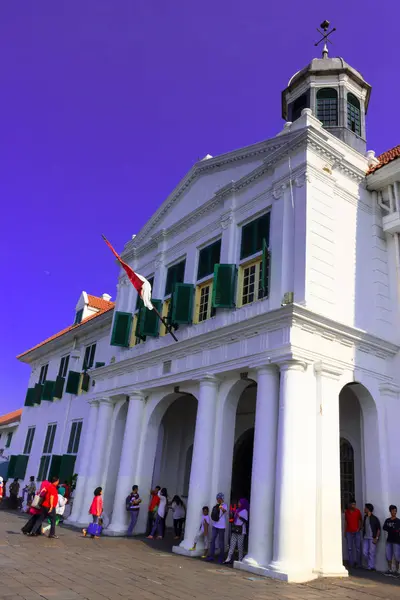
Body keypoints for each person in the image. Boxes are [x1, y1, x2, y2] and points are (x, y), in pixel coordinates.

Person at [224, 498, 249, 564]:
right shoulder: (237, 510)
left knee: (240, 545)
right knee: (232, 544)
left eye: (239, 503)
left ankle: (240, 559)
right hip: (235, 529)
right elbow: (233, 519)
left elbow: (246, 520)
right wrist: (232, 514)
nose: (238, 504)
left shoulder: (245, 511)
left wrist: (239, 516)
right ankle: (228, 558)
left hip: (241, 530)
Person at [206, 493, 227, 563]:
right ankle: (211, 555)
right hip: (215, 525)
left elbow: (224, 511)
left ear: (222, 499)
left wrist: (221, 508)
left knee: (221, 542)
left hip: (221, 526)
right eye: (217, 499)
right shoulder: (215, 506)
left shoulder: (225, 505)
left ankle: (221, 557)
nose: (218, 500)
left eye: (220, 499)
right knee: (212, 540)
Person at [344, 498, 362, 568]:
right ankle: (351, 563)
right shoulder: (347, 512)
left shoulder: (358, 511)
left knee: (358, 548)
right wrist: (345, 531)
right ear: (350, 505)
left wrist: (359, 528)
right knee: (349, 548)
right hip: (349, 532)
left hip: (356, 532)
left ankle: (359, 563)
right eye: (352, 504)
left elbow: (360, 520)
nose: (353, 506)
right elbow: (346, 522)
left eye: (354, 504)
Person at [363, 503, 381, 571]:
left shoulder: (375, 518)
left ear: (368, 509)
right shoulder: (365, 517)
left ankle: (371, 566)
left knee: (372, 552)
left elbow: (378, 529)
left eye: (365, 508)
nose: (364, 509)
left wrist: (376, 538)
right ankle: (370, 565)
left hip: (372, 538)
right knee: (364, 552)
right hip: (365, 537)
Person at [383, 504, 400, 575]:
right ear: (390, 511)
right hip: (389, 540)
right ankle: (390, 570)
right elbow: (384, 528)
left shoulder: (398, 521)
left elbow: (397, 530)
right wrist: (392, 529)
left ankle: (397, 571)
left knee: (397, 556)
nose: (394, 512)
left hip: (396, 541)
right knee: (388, 556)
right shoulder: (387, 520)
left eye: (395, 511)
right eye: (393, 511)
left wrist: (393, 529)